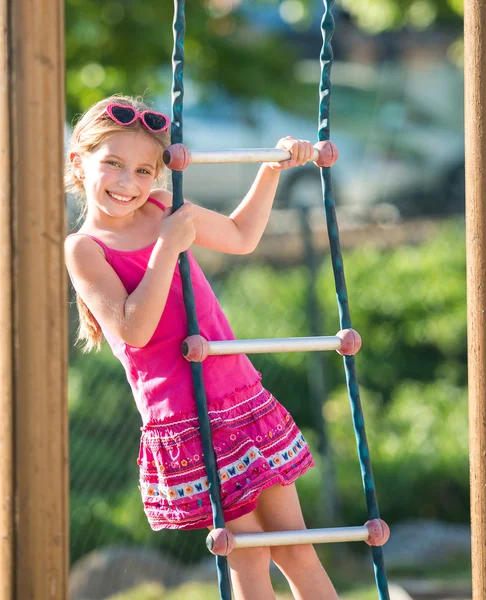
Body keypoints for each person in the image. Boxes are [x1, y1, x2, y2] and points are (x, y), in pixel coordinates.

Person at [64, 94, 338, 600]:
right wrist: (168, 245)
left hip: (239, 393)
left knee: (298, 546)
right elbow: (133, 331)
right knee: (249, 551)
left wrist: (272, 168)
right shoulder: (84, 248)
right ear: (79, 162)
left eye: (145, 171)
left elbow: (240, 236)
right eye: (114, 165)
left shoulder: (164, 207)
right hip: (187, 412)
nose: (129, 183)